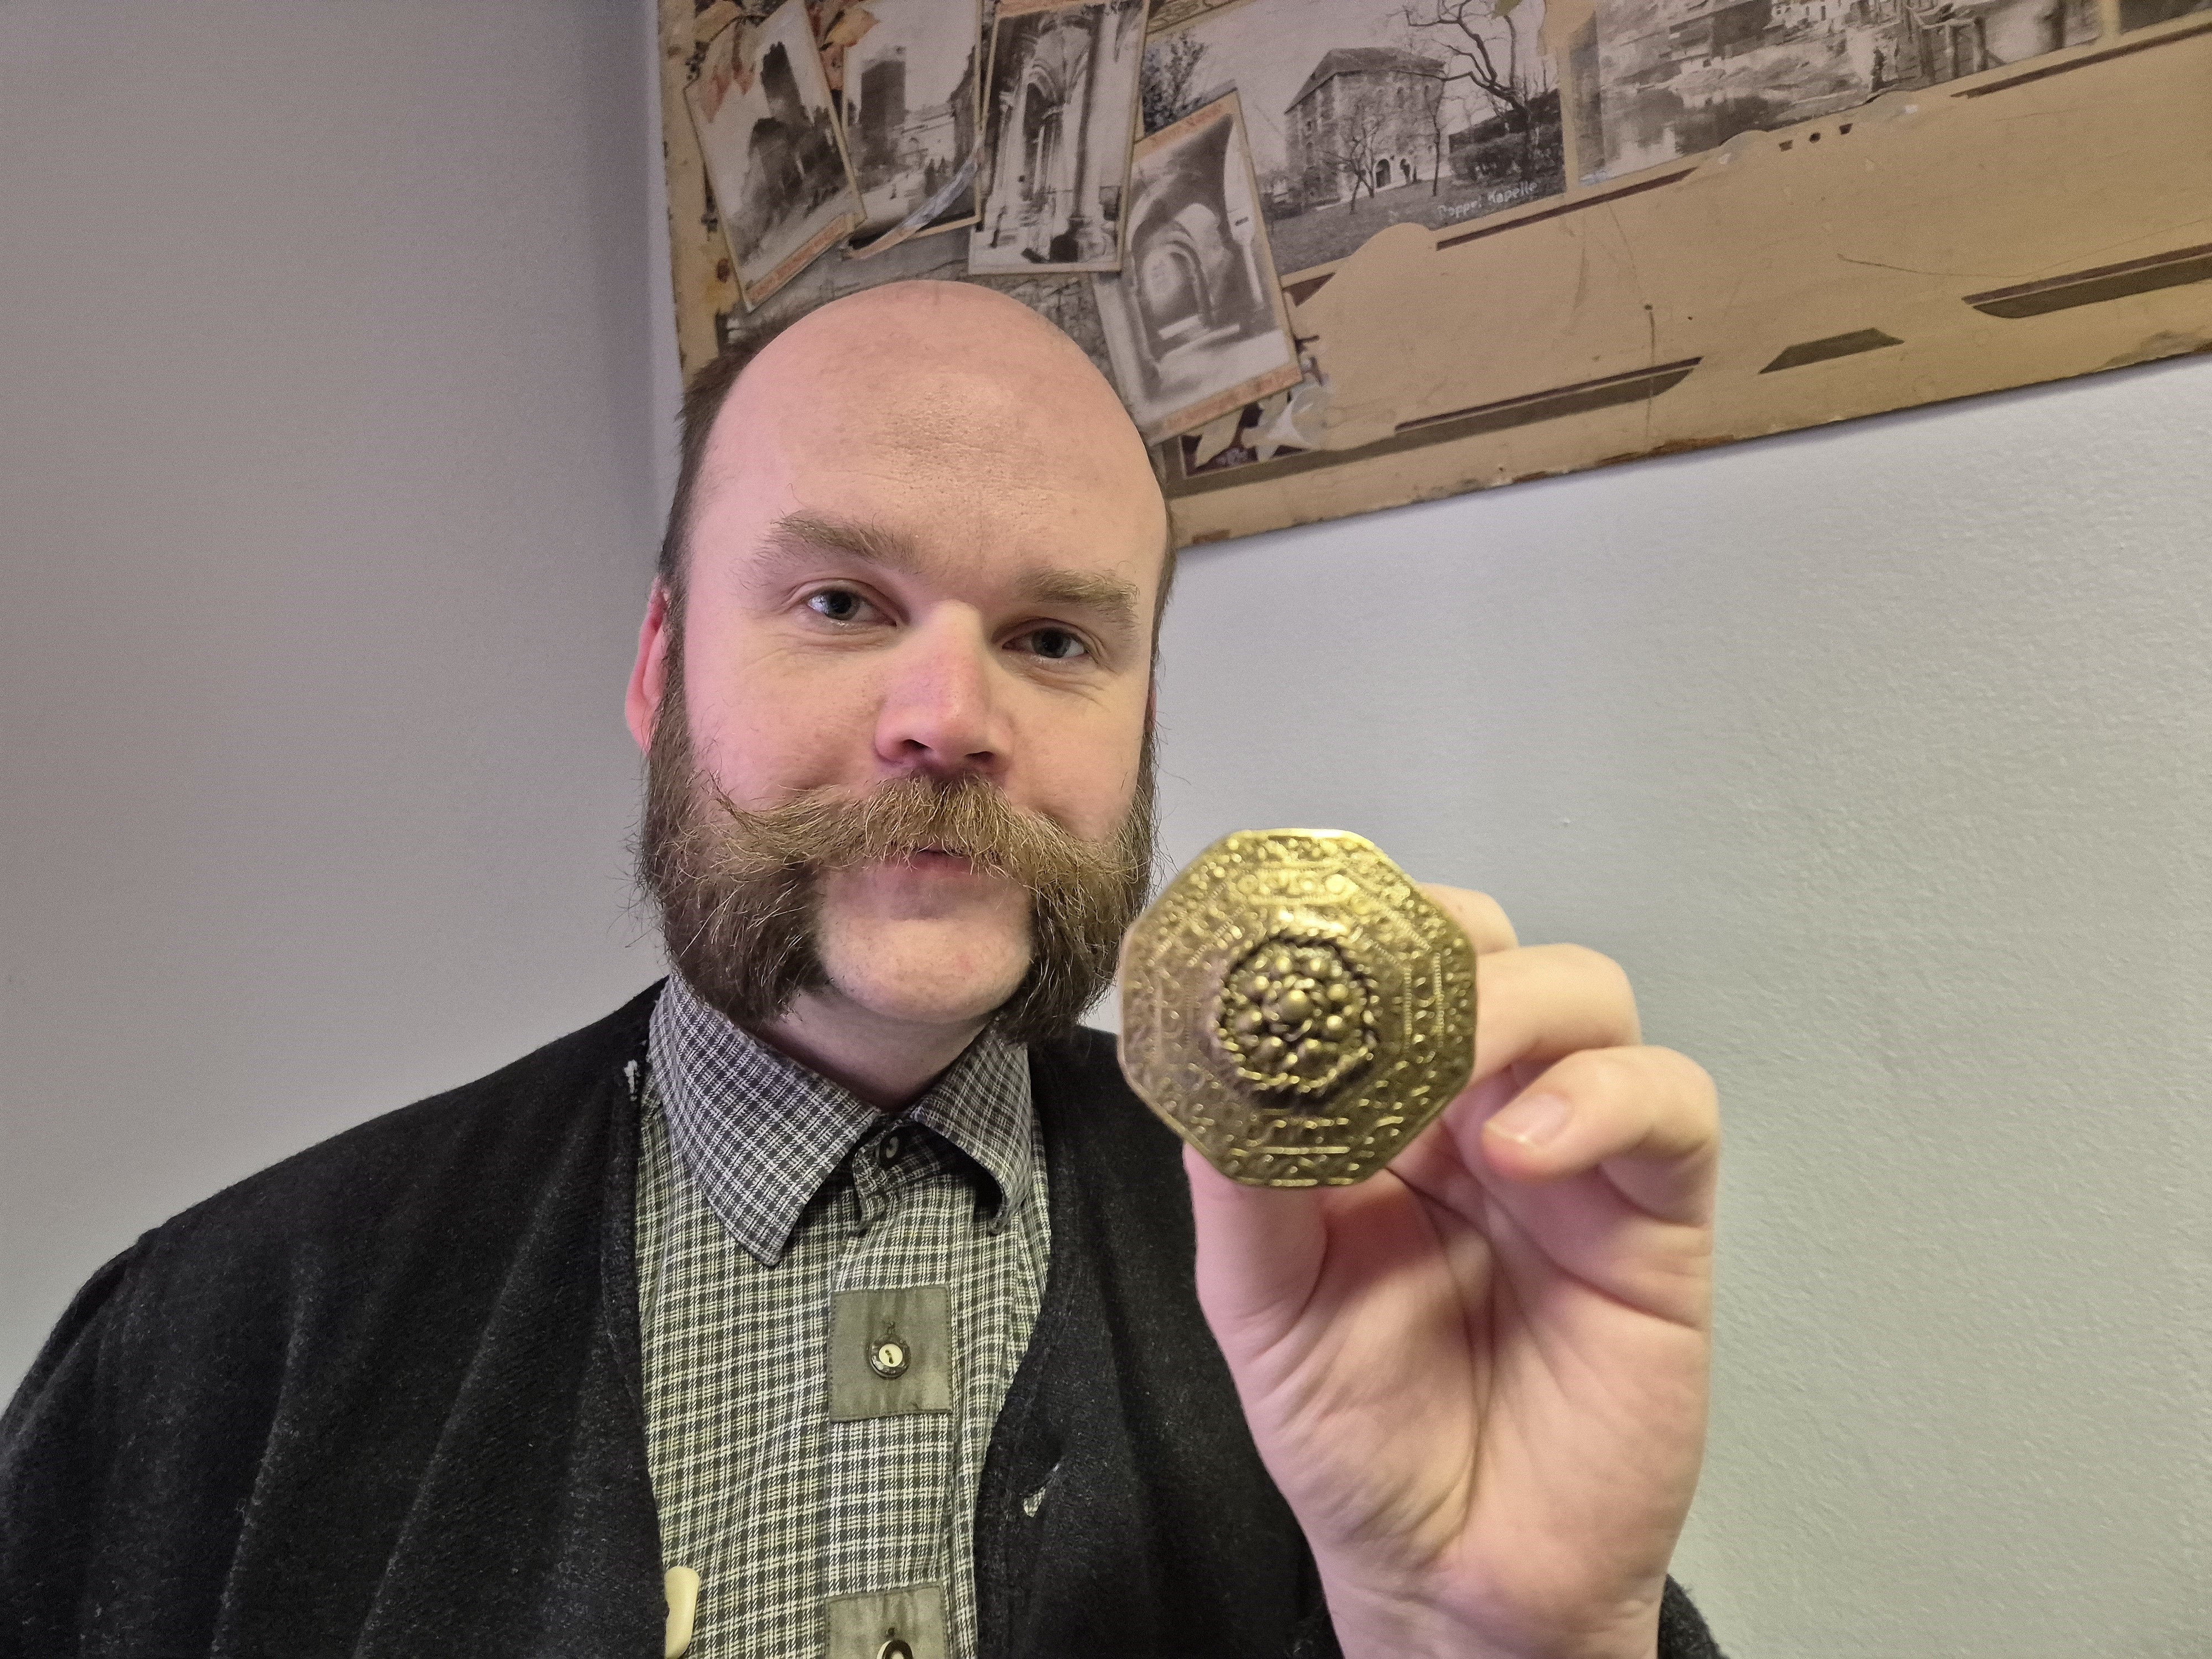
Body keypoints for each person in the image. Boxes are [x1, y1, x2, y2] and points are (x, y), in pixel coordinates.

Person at [0, 280, 1724, 1659]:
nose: (949, 718)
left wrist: (1507, 1642)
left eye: (1053, 638)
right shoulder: (212, 1344)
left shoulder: (1376, 1282)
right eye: (839, 602)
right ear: (661, 668)